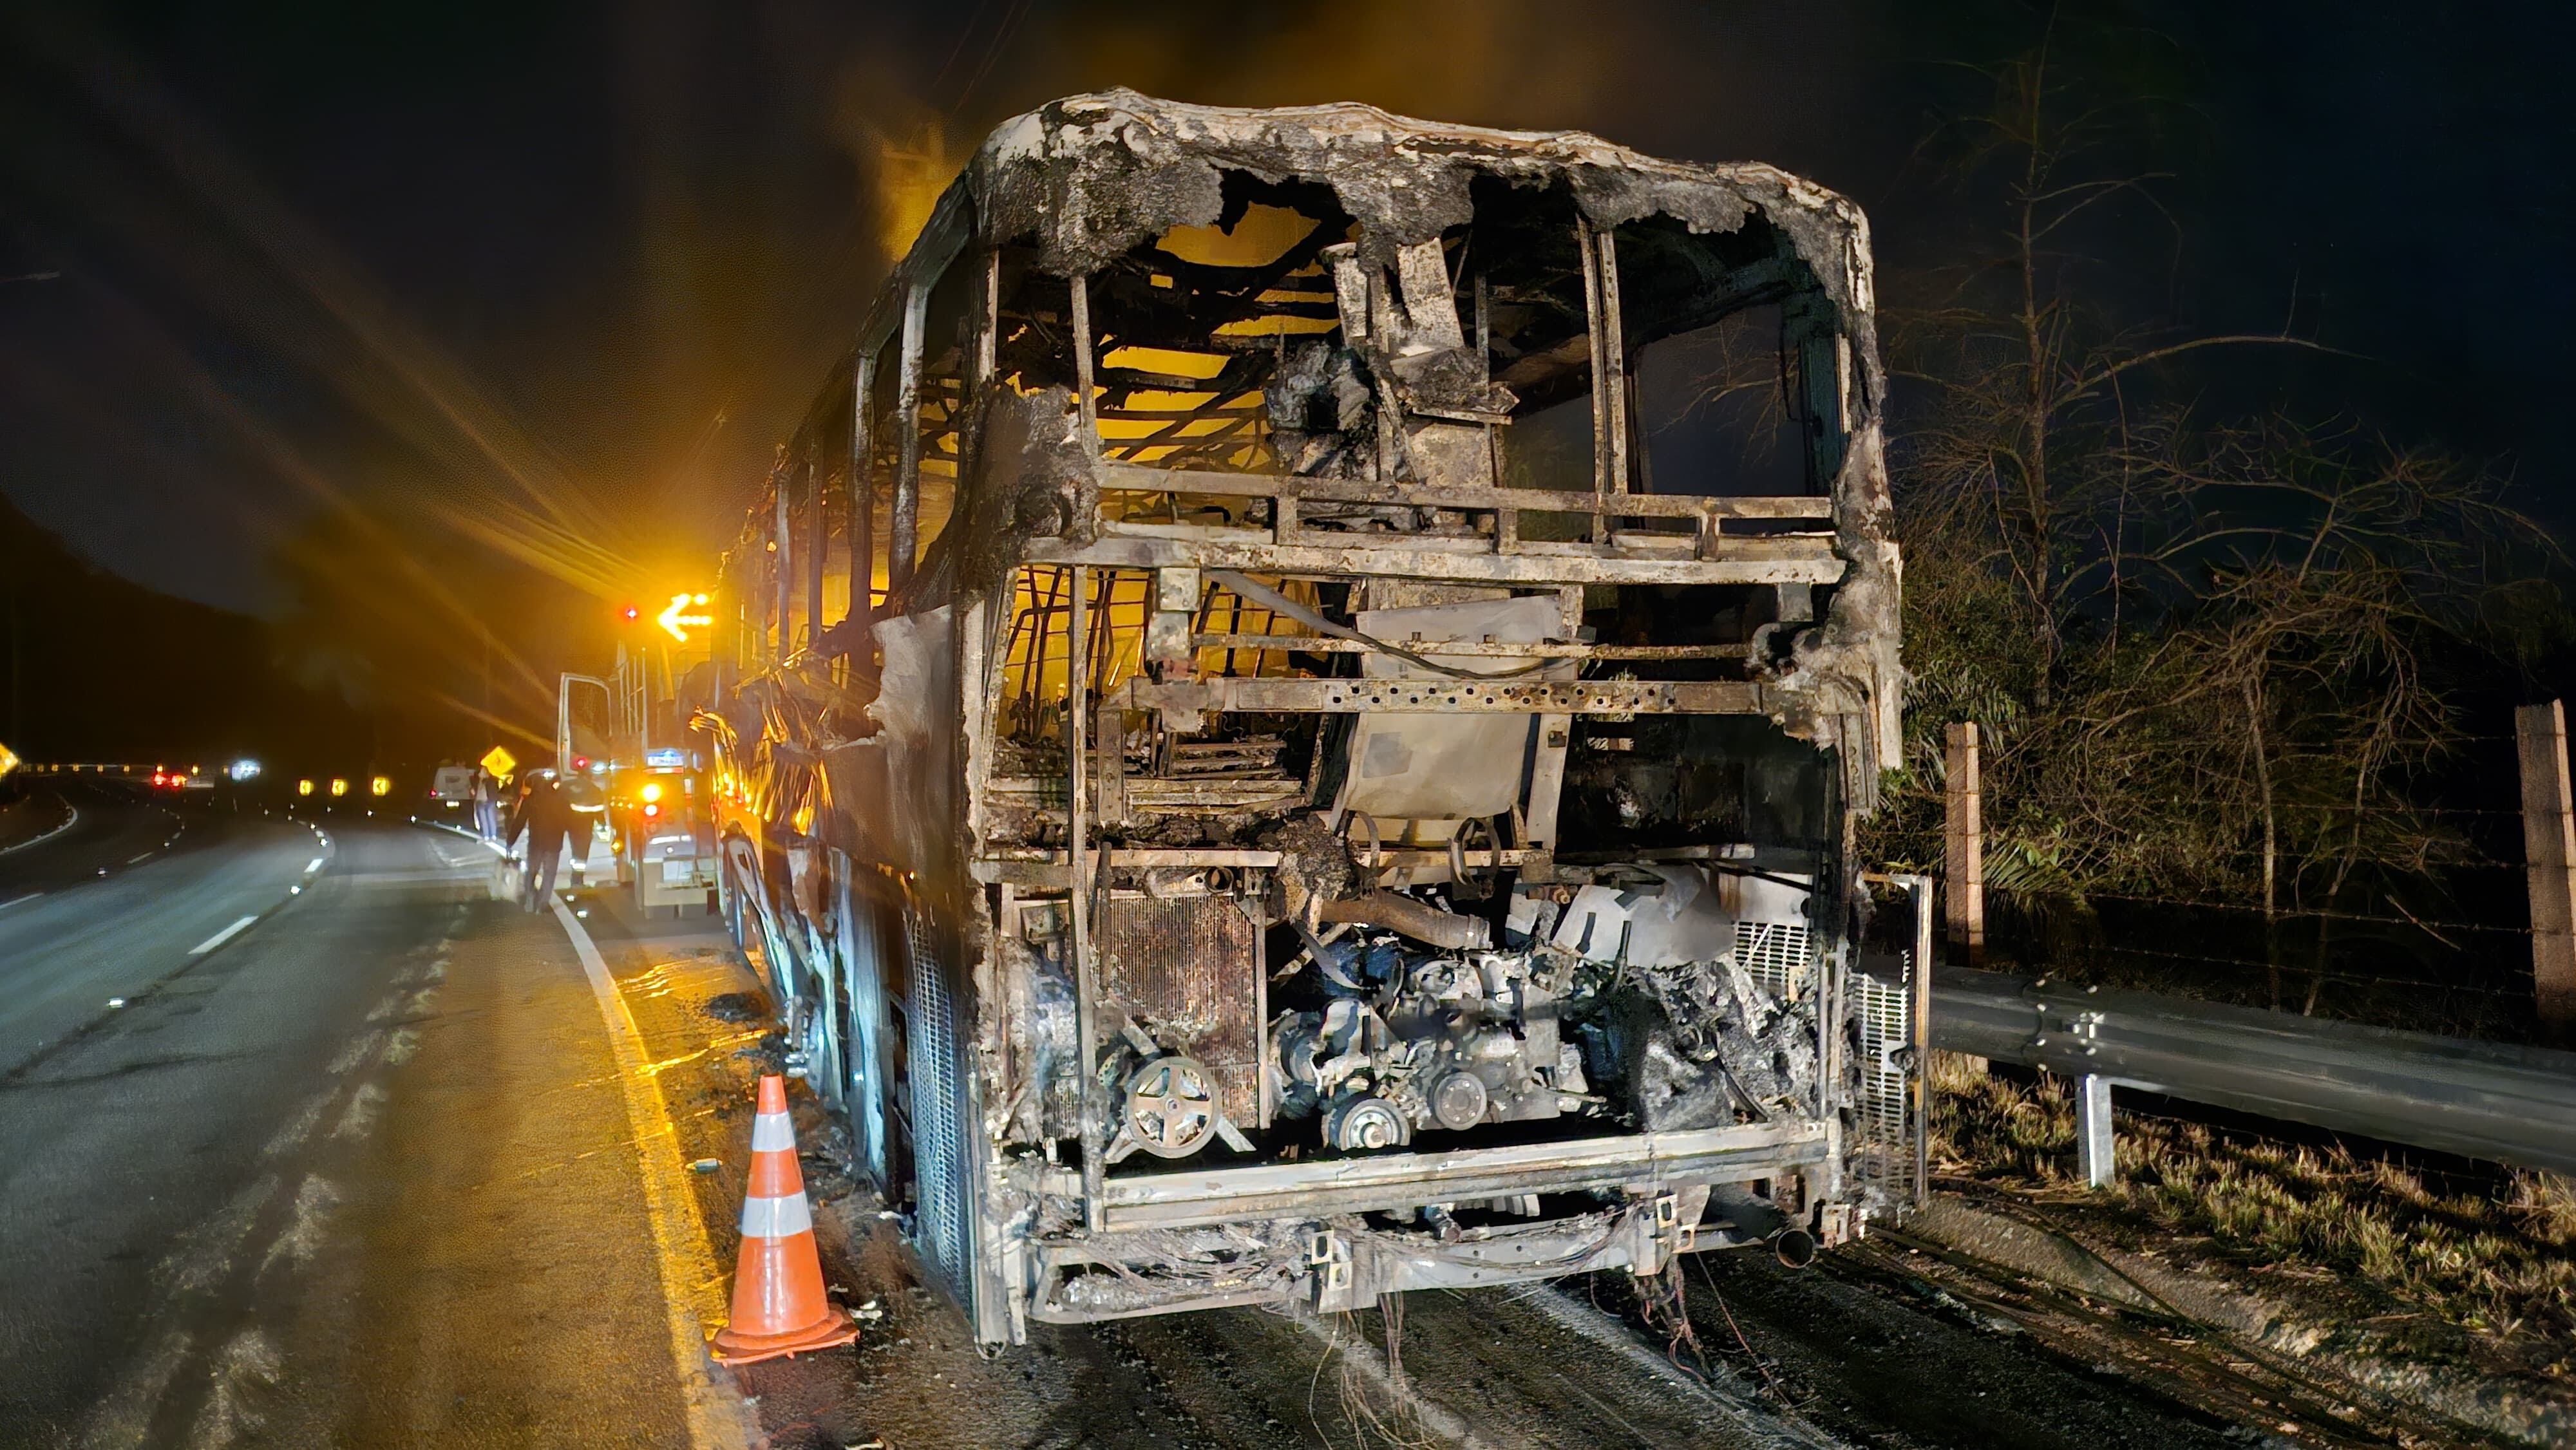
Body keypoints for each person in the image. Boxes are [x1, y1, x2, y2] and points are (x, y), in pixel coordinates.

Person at [504, 771, 578, 912]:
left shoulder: (531, 800)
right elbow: (571, 821)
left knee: (531, 872)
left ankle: (530, 899)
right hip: (554, 843)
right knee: (549, 874)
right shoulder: (561, 800)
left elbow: (519, 822)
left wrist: (510, 841)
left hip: (536, 843)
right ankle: (543, 903)